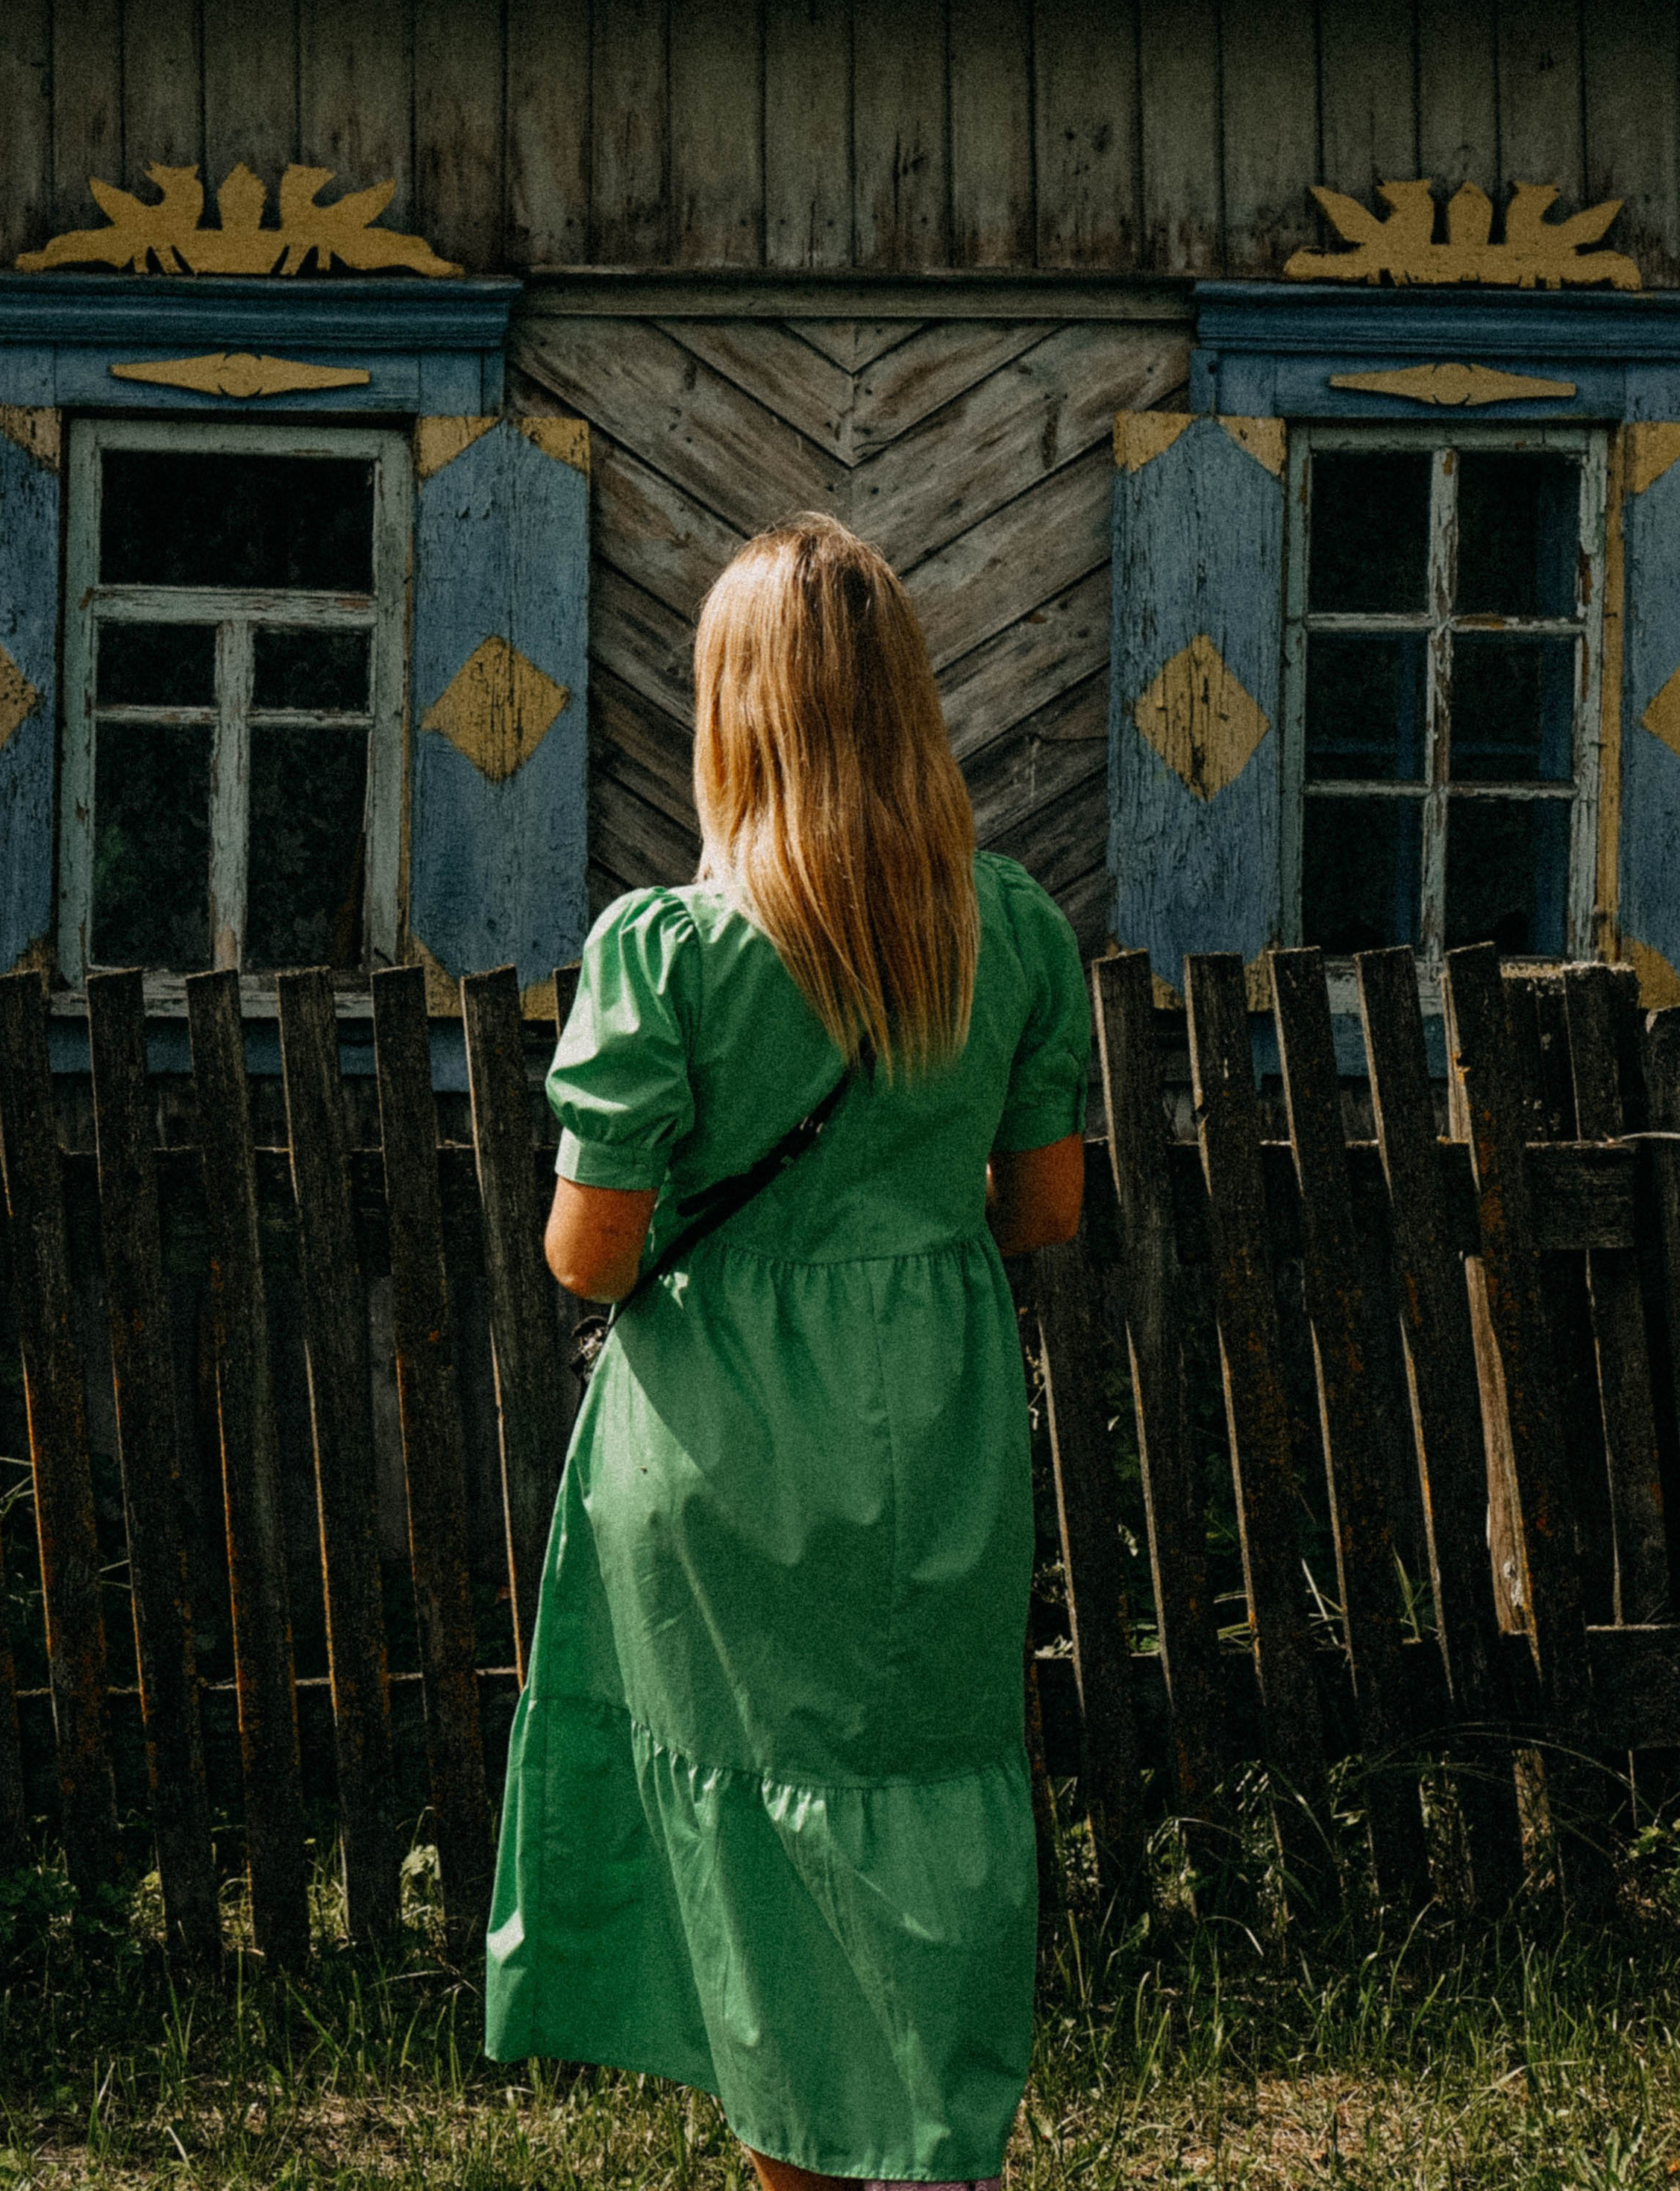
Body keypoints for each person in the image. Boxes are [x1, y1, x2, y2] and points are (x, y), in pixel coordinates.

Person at [486, 513, 1090, 2191]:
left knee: (750, 1808)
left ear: (730, 709)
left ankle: (794, 2155)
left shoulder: (665, 952)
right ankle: (925, 2138)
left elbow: (589, 1251)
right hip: (940, 1411)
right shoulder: (1012, 929)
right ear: (904, 696)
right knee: (929, 1783)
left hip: (719, 1424)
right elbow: (1041, 1211)